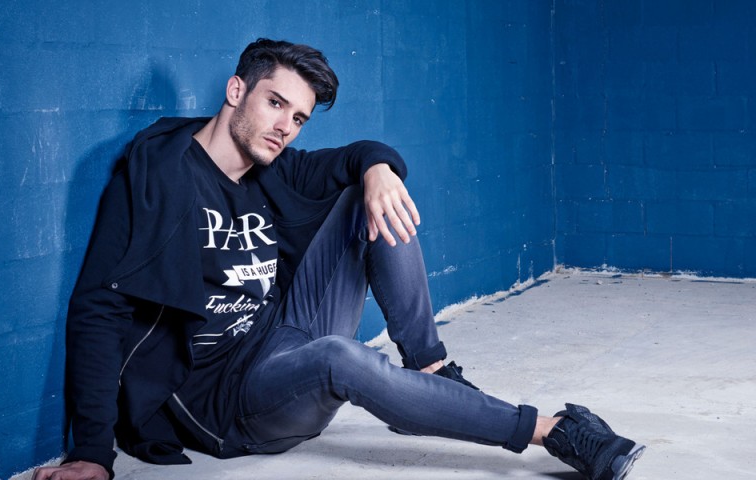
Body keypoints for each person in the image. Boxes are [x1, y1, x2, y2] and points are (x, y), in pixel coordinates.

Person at [33, 38, 645, 480]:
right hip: (230, 400)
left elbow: (362, 154)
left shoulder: (272, 166)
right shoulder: (157, 178)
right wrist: (92, 453)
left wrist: (377, 170)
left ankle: (431, 372)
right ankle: (552, 430)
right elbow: (98, 310)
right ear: (236, 90)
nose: (285, 127)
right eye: (275, 104)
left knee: (370, 194)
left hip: (282, 334)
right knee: (340, 357)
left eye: (298, 118)